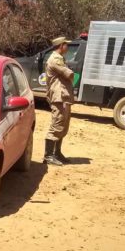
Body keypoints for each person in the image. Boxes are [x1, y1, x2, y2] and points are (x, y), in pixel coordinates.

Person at [44, 36, 75, 166]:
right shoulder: (55, 59)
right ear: (61, 46)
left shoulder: (60, 58)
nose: (67, 47)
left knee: (63, 125)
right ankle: (48, 155)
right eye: (66, 44)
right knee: (57, 125)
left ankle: (57, 153)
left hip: (63, 96)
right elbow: (69, 74)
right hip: (59, 97)